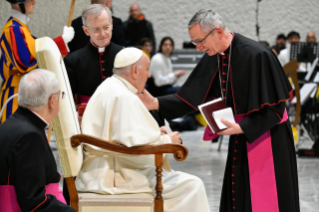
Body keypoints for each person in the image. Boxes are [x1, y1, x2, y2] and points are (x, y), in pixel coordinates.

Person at [139, 10, 299, 212]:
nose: (198, 48)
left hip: (268, 136)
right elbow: (191, 96)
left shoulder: (258, 55)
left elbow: (277, 108)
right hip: (239, 132)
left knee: (266, 198)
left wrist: (243, 127)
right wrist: (155, 103)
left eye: (199, 41)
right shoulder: (214, 55)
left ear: (218, 31)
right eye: (194, 43)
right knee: (241, 194)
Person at [75, 48, 210, 212]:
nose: (149, 75)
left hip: (103, 169)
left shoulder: (110, 86)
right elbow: (133, 147)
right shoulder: (124, 96)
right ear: (135, 71)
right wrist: (168, 141)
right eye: (147, 69)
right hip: (114, 175)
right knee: (192, 185)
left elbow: (124, 136)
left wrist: (155, 133)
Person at [0, 69, 75, 212]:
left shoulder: (16, 124)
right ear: (52, 101)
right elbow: (33, 202)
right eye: (61, 96)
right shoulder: (28, 136)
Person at [0, 0, 74, 123]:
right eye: (30, 0)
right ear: (20, 3)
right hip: (17, 93)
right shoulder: (13, 29)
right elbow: (26, 60)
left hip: (25, 91)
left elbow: (39, 52)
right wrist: (61, 40)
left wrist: (61, 43)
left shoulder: (21, 28)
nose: (34, 2)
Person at [64, 4, 122, 105]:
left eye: (106, 27)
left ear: (111, 24)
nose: (103, 34)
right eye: (96, 29)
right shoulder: (73, 61)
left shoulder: (124, 55)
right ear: (86, 30)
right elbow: (67, 101)